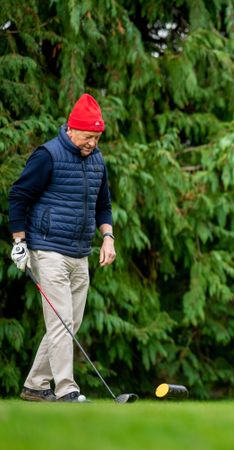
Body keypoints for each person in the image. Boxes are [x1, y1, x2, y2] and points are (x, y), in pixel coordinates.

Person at [8, 93, 116, 403]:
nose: (92, 143)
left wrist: (108, 237)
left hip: (80, 252)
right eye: (88, 136)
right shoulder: (48, 155)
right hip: (48, 249)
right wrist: (19, 242)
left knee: (71, 323)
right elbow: (18, 196)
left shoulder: (96, 160)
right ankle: (66, 390)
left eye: (97, 137)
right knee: (62, 322)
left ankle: (34, 385)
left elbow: (103, 205)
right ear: (71, 128)